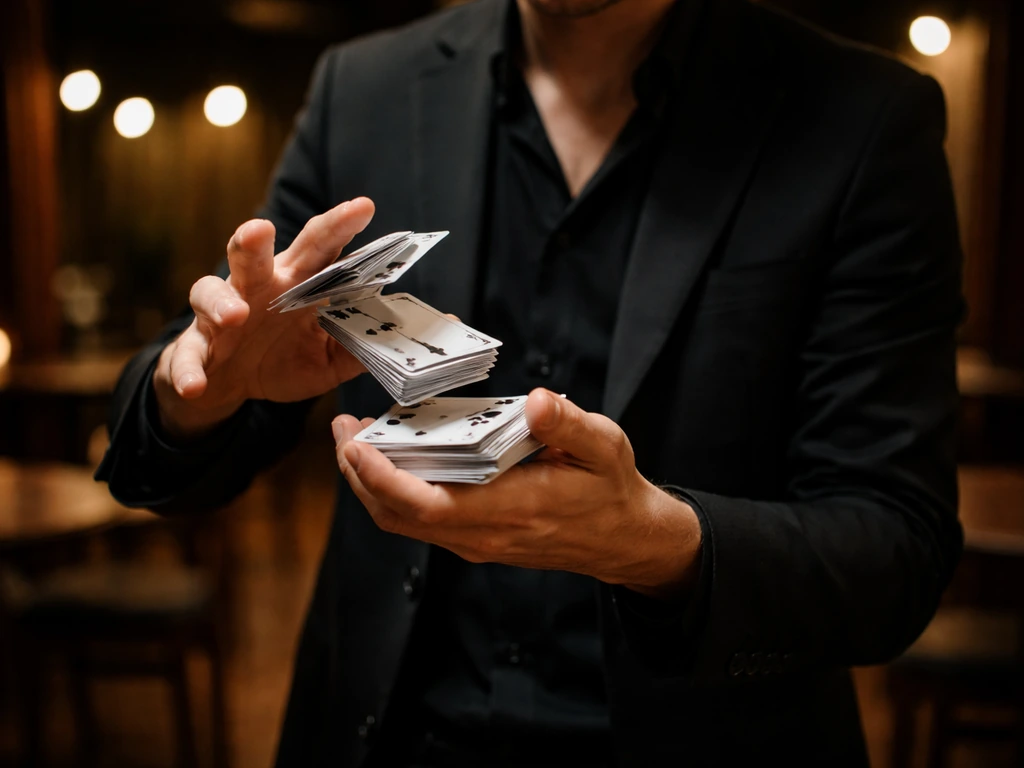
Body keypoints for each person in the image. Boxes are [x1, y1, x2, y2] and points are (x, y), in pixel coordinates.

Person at [97, 0, 965, 764]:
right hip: (390, 733)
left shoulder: (861, 118)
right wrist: (197, 399)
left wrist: (658, 545)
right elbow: (174, 435)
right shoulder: (365, 87)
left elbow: (895, 555)